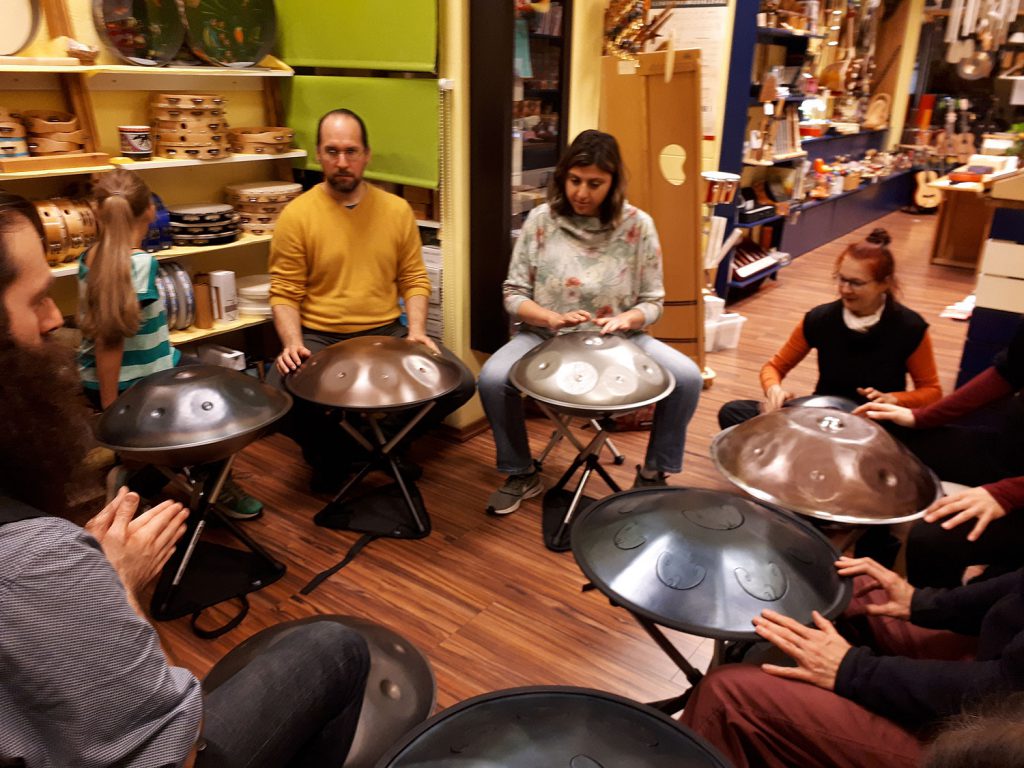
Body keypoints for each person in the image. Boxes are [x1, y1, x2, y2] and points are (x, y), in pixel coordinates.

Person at [0, 193, 371, 767]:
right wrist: (117, 588)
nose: (55, 318)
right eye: (38, 298)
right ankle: (215, 490)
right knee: (337, 646)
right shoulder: (37, 559)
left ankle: (205, 490)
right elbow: (175, 746)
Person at [477, 129, 703, 515]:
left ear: (613, 183)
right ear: (563, 177)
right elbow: (512, 294)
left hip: (620, 338)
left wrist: (627, 318)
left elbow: (653, 302)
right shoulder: (540, 221)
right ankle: (520, 472)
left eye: (595, 184)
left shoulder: (638, 226)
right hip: (546, 335)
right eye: (575, 181)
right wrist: (550, 316)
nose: (582, 193)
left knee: (687, 378)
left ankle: (653, 473)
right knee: (493, 379)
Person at [268, 108, 475, 491]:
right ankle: (334, 455)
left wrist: (415, 331)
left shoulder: (396, 211)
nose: (342, 162)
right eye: (332, 152)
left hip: (386, 331)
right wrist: (293, 343)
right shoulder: (296, 216)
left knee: (459, 383)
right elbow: (284, 290)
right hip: (320, 335)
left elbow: (413, 277)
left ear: (367, 155)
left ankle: (385, 445)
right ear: (318, 154)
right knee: (275, 396)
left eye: (351, 151)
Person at [679, 555, 1024, 768]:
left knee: (729, 696)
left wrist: (853, 670)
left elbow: (1002, 691)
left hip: (995, 743)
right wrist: (924, 603)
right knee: (851, 585)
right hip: (997, 664)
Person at [77, 168, 262, 519]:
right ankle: (205, 487)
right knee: (219, 405)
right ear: (150, 209)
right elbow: (111, 340)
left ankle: (154, 475)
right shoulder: (141, 265)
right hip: (137, 383)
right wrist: (113, 409)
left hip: (101, 377)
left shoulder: (88, 258)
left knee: (203, 377)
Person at [717, 228, 942, 429]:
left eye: (856, 283)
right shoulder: (820, 318)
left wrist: (896, 399)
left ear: (885, 283)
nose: (844, 289)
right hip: (824, 418)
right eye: (841, 279)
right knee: (734, 412)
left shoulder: (910, 327)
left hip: (878, 422)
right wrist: (774, 389)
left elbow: (932, 392)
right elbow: (773, 368)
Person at [856, 318, 1024, 588]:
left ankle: (929, 615)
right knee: (886, 441)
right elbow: (1008, 373)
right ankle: (873, 552)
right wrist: (919, 417)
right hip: (1011, 450)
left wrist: (1007, 494)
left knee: (932, 537)